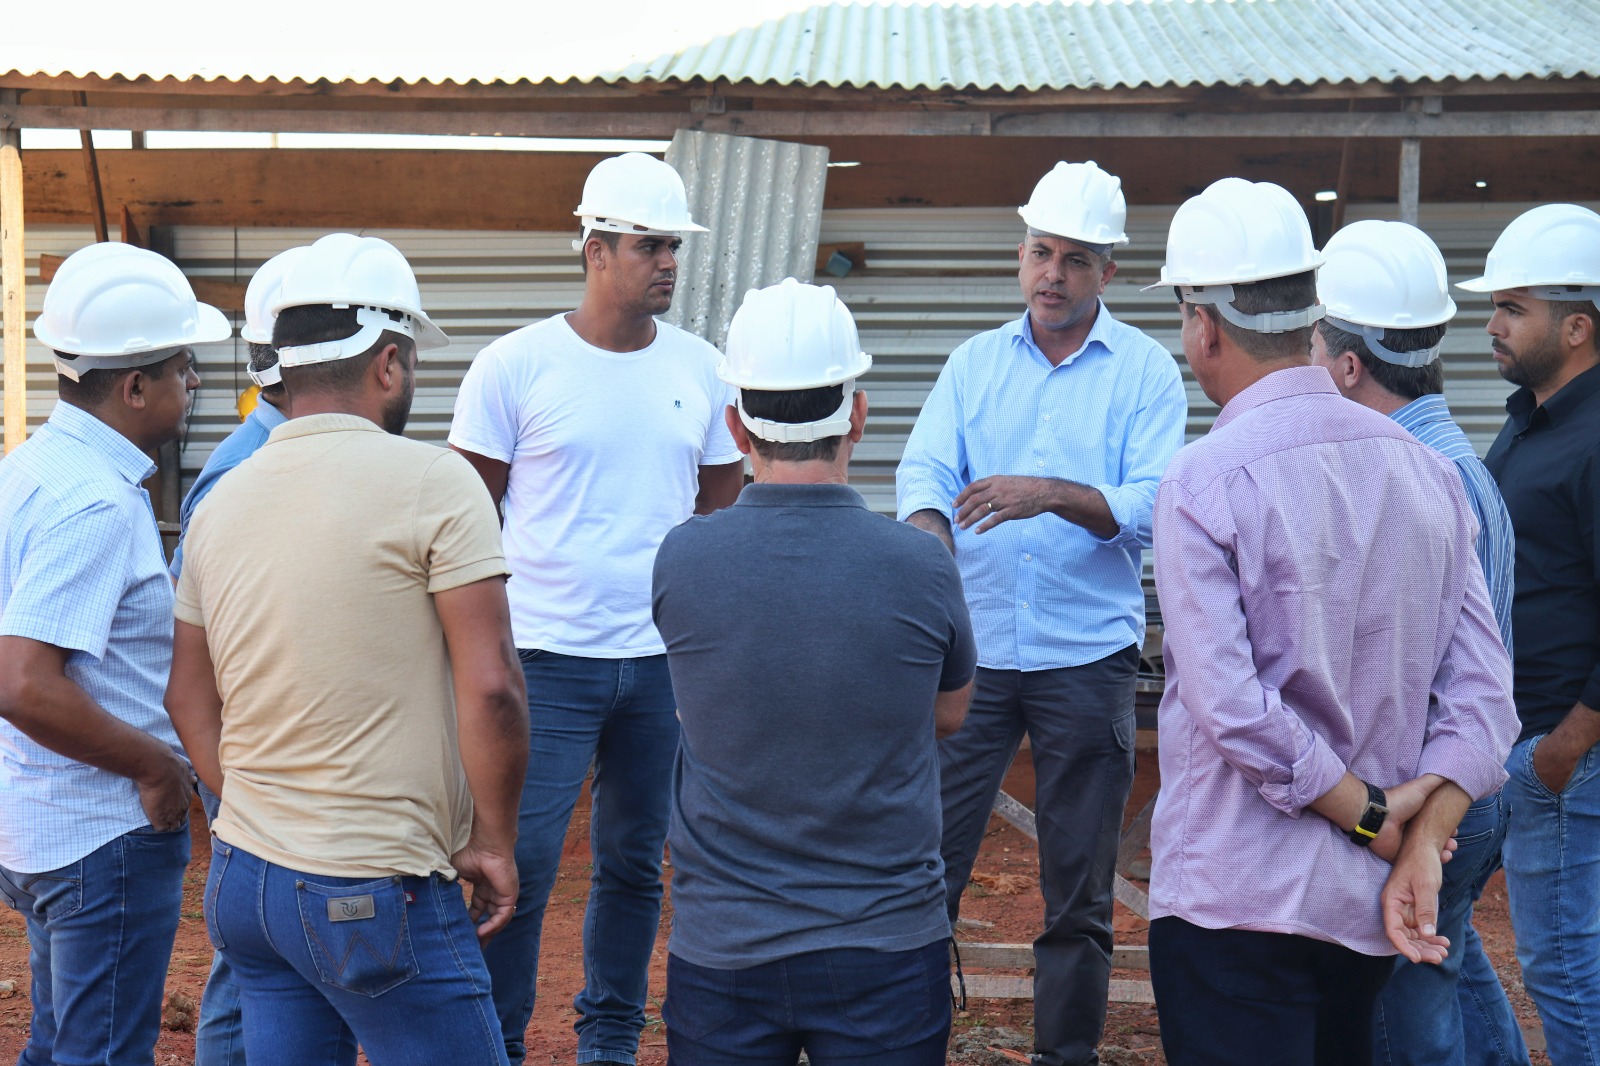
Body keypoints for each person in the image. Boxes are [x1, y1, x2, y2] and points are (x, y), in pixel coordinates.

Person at [1146, 177, 1521, 1066]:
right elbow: (1486, 701)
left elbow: (1231, 705)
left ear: (1204, 325)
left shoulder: (1203, 480)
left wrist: (1375, 817)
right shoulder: (1428, 473)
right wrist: (1420, 834)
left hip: (1234, 898)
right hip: (1365, 907)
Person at [164, 232, 528, 1066]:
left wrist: (259, 805)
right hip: (372, 884)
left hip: (248, 886)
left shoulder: (218, 500)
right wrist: (493, 842)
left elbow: (186, 693)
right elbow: (494, 687)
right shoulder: (436, 482)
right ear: (389, 362)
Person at [448, 152, 744, 1065]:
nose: (667, 262)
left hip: (659, 669)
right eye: (649, 244)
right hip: (541, 663)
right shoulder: (514, 366)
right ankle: (495, 1040)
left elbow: (722, 509)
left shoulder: (703, 369)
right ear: (593, 247)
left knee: (632, 867)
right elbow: (465, 519)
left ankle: (609, 1039)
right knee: (518, 866)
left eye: (673, 247)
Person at [895, 159, 1187, 1066]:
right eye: (1038, 252)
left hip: (1083, 659)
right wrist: (933, 545)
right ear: (1020, 256)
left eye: (1074, 259)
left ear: (1109, 272)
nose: (1051, 273)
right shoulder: (974, 364)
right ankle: (910, 1043)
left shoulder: (1145, 372)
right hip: (971, 657)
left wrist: (1051, 494)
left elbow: (1153, 502)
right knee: (923, 870)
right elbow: (923, 474)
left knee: (1078, 890)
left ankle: (1064, 1055)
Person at [652, 278, 977, 1065]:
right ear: (857, 415)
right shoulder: (919, 564)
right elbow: (949, 713)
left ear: (735, 424)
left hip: (724, 944)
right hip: (887, 944)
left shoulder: (684, 557)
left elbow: (702, 698)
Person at [1309, 219, 1526, 1066]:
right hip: (1460, 790)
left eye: (1315, 346)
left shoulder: (1420, 480)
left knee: (1407, 1004)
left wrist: (1413, 824)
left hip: (1431, 796)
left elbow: (1468, 686)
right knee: (1452, 959)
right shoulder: (1452, 464)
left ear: (1351, 365)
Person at [0, 242, 222, 1065]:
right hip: (101, 839)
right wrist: (156, 769)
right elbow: (23, 682)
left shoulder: (31, 470)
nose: (193, 385)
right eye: (182, 369)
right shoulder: (96, 504)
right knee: (99, 1054)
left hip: (40, 827)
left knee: (59, 1042)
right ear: (134, 387)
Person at [1465, 203, 1600, 1066]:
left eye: (1514, 308)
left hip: (1559, 747)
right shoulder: (1530, 418)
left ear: (1578, 325)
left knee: (1562, 966)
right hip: (1510, 738)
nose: (1493, 323)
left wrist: (1568, 743)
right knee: (1442, 921)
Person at [170, 243, 305, 1066]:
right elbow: (207, 646)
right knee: (248, 967)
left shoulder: (258, 458)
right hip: (259, 760)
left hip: (268, 756)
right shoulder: (243, 472)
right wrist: (235, 786)